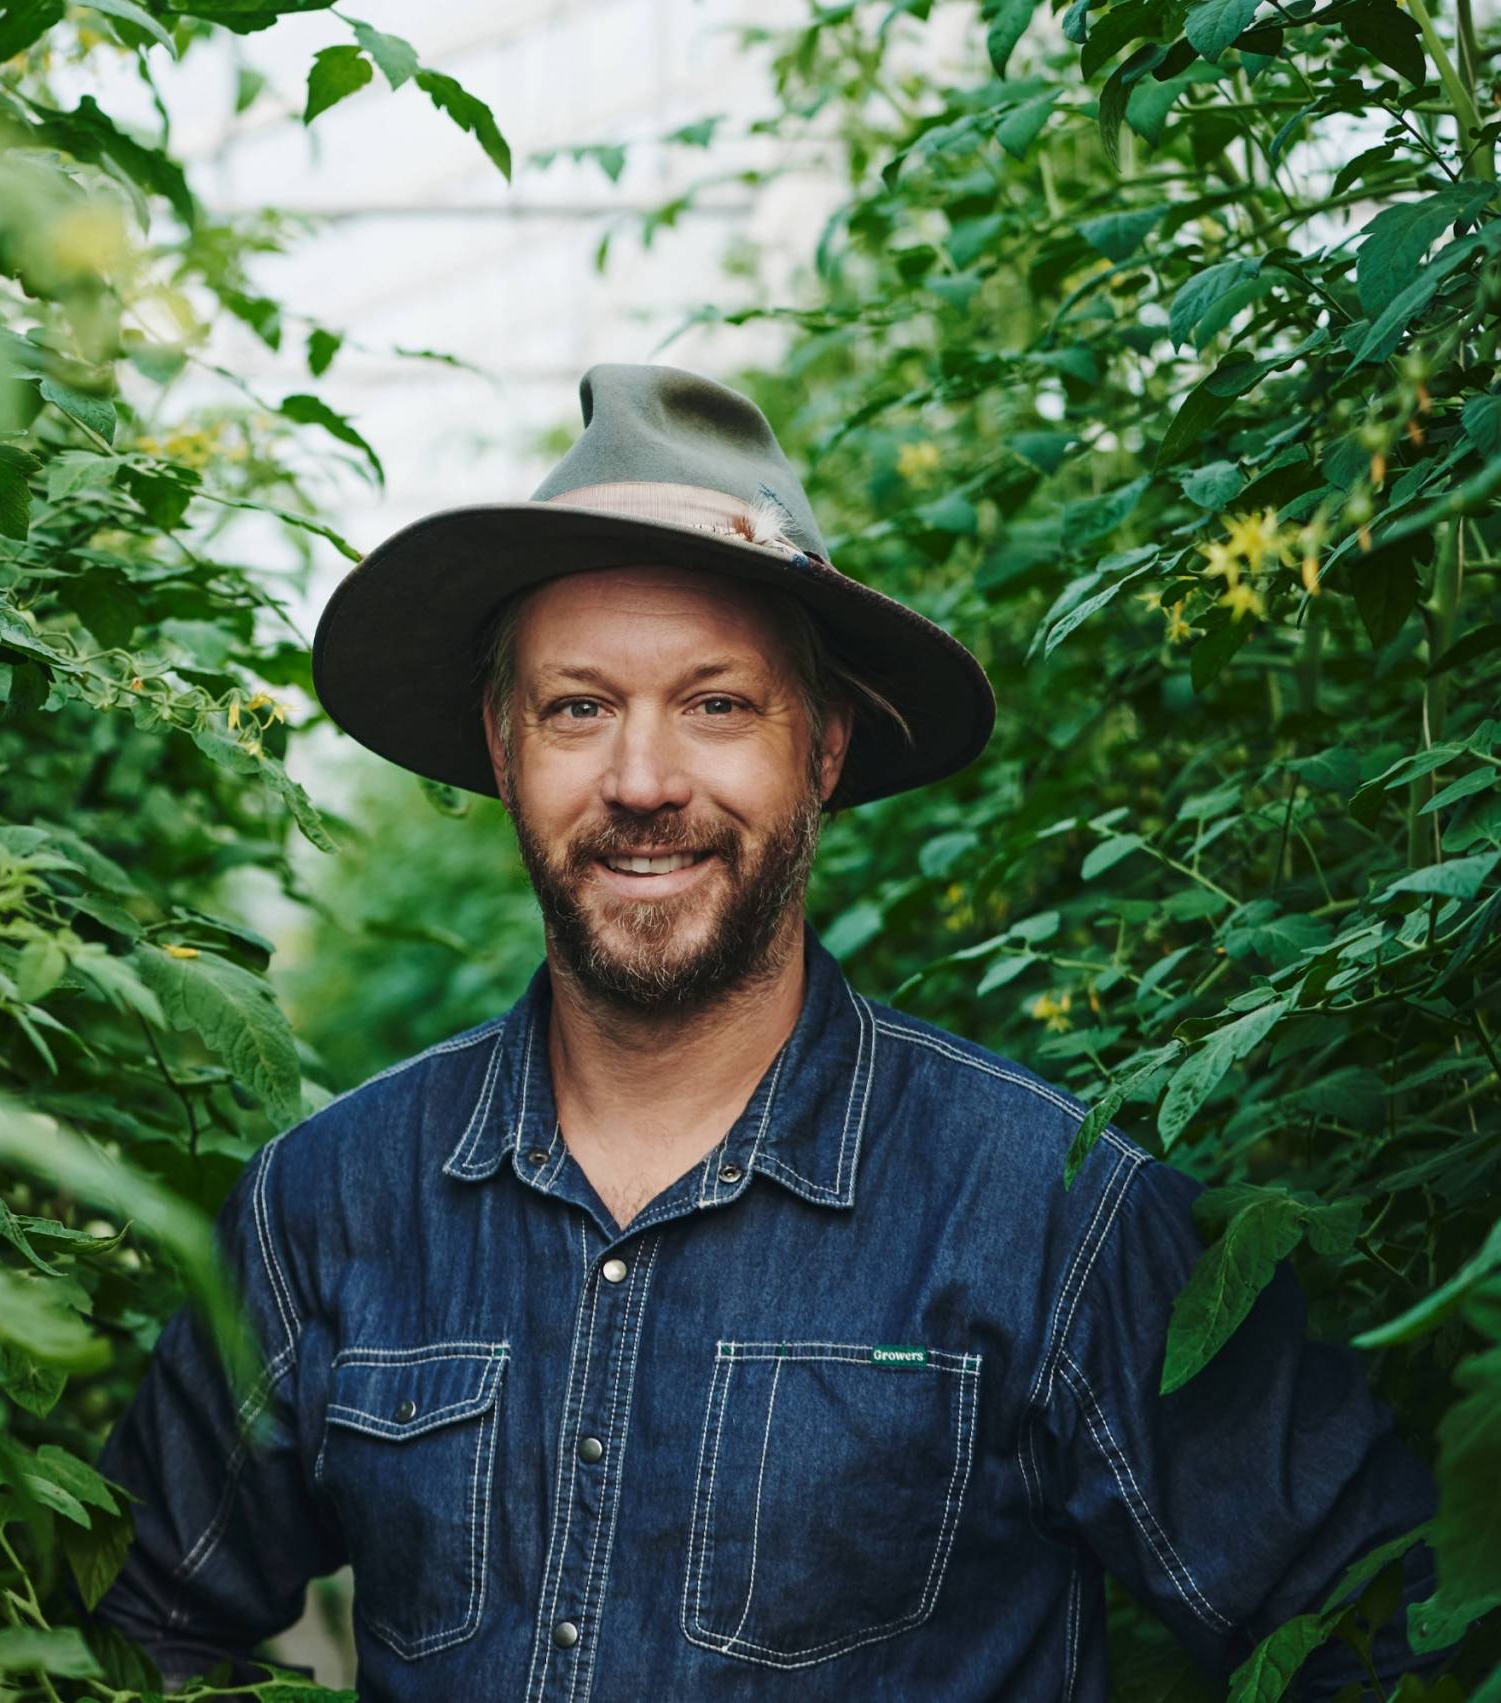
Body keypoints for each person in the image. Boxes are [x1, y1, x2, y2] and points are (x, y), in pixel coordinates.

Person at [88, 365, 1446, 1700]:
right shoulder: (333, 1201)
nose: (641, 781)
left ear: (826, 749)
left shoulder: (1050, 1212)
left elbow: (1372, 1639)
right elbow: (138, 1624)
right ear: (504, 750)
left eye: (717, 704)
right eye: (579, 709)